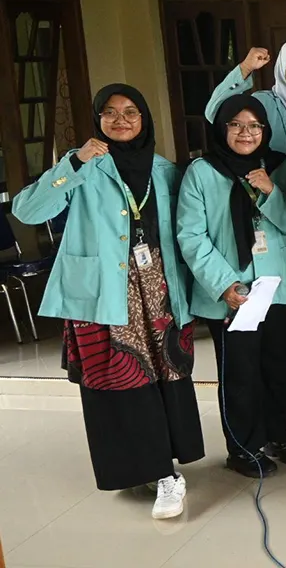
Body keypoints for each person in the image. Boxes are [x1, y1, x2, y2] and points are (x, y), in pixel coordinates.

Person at [12, 85, 203, 519]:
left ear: (145, 118)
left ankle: (167, 472)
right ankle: (141, 467)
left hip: (157, 286)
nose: (122, 121)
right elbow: (26, 210)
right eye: (111, 113)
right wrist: (74, 161)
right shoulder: (83, 167)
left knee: (162, 374)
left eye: (131, 112)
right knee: (115, 378)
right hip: (102, 290)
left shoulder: (164, 169)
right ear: (97, 118)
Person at [177, 94, 286, 476]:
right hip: (231, 294)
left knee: (275, 366)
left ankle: (277, 434)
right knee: (239, 373)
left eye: (254, 125)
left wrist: (270, 190)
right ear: (222, 128)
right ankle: (243, 447)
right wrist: (224, 284)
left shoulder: (279, 166)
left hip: (277, 288)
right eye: (236, 125)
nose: (246, 133)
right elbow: (191, 235)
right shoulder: (202, 172)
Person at [204, 41, 286, 399]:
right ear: (281, 69)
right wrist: (243, 69)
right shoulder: (264, 102)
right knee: (284, 292)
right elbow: (217, 112)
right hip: (273, 211)